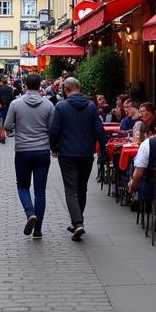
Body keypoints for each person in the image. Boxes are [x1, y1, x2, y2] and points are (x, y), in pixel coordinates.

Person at [49, 77, 106, 241]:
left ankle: (77, 222)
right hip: (86, 153)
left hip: (67, 153)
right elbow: (99, 130)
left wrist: (54, 147)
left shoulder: (61, 106)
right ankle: (77, 221)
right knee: (82, 188)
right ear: (79, 88)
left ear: (66, 90)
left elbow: (54, 130)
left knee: (71, 189)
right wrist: (103, 149)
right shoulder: (91, 106)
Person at [4, 72, 55, 237]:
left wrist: (16, 131)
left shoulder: (16, 104)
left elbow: (7, 126)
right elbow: (53, 129)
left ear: (25, 85)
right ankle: (38, 229)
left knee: (23, 186)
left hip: (23, 151)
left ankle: (29, 212)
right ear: (40, 86)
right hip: (42, 151)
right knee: (40, 191)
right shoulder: (48, 105)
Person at [0, 76, 15, 142]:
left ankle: (1, 135)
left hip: (0, 106)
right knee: (6, 119)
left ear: (1, 82)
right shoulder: (10, 89)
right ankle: (5, 133)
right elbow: (12, 98)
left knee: (0, 119)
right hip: (8, 106)